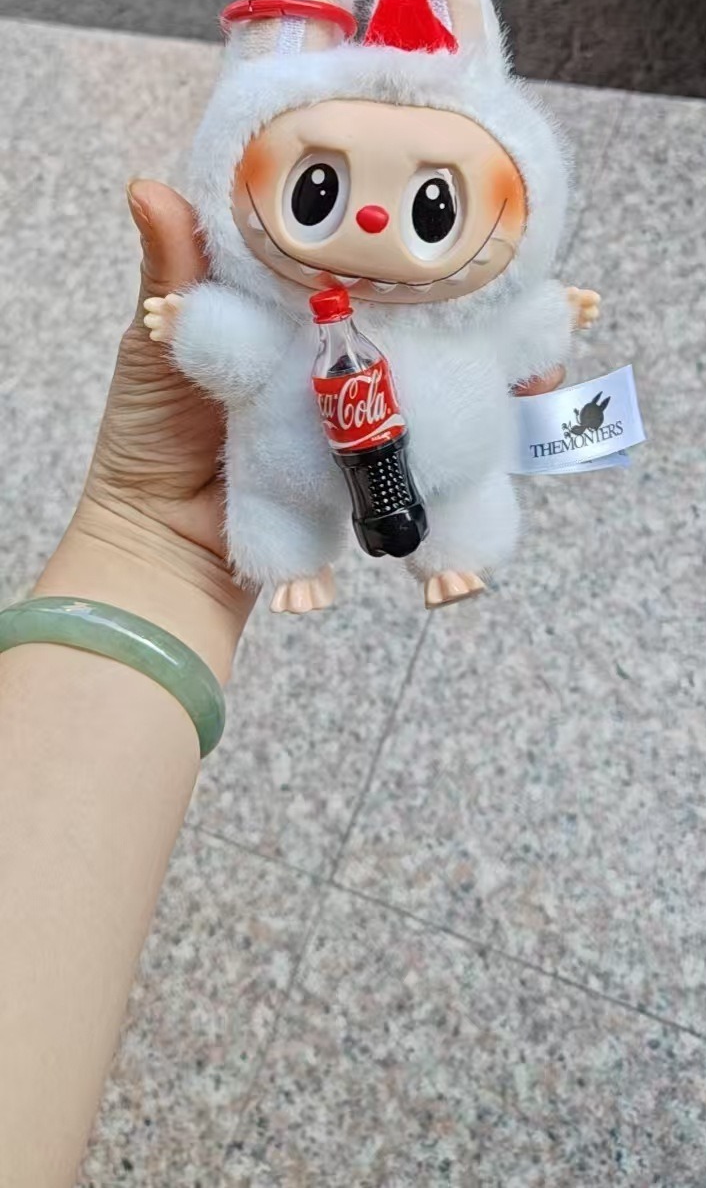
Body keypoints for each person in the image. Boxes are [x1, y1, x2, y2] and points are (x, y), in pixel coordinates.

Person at [0, 181, 564, 1188]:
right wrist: (195, 333)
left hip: (398, 470)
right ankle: (316, 564)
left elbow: (522, 338)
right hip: (316, 477)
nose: (376, 222)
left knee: (463, 502)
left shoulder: (406, 336)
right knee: (287, 519)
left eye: (431, 202)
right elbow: (236, 348)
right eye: (321, 188)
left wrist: (546, 315)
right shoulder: (310, 339)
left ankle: (449, 560)